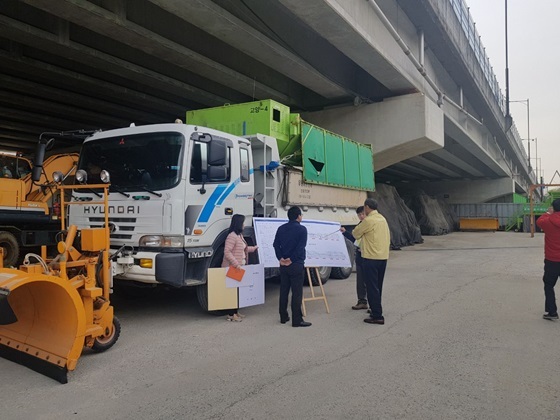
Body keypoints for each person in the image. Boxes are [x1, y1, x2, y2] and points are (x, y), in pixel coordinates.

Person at [352, 198, 390, 325]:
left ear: (367, 207)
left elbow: (355, 233)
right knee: (378, 286)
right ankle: (375, 309)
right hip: (382, 257)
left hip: (371, 258)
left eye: (364, 208)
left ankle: (377, 316)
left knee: (371, 287)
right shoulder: (382, 219)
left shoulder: (369, 220)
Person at [273, 206, 311, 327]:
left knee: (284, 290)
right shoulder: (302, 230)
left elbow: (275, 245)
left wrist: (281, 259)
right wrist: (291, 259)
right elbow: (300, 248)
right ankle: (297, 320)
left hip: (283, 265)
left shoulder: (281, 228)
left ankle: (283, 317)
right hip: (296, 264)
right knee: (297, 292)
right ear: (298, 216)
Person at [222, 214, 258, 322]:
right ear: (238, 223)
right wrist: (236, 264)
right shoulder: (232, 236)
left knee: (238, 291)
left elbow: (243, 249)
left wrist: (254, 248)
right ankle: (231, 314)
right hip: (233, 268)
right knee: (233, 291)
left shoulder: (239, 236)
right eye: (242, 222)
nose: (244, 224)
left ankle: (235, 312)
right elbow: (227, 252)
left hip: (240, 267)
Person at [536, 198, 560, 320]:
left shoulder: (547, 221)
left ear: (553, 208)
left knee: (549, 285)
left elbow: (539, 221)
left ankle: (552, 312)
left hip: (552, 261)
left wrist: (548, 213)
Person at [341, 206, 368, 310]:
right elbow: (355, 239)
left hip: (369, 255)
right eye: (359, 215)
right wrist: (345, 232)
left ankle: (372, 303)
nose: (361, 216)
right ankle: (362, 301)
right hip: (360, 255)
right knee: (360, 280)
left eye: (363, 214)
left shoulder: (370, 224)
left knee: (369, 281)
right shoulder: (360, 225)